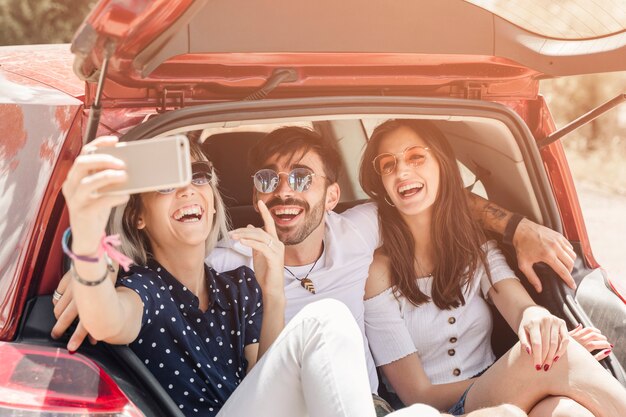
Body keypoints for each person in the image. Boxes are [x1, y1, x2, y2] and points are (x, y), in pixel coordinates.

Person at [53, 126, 584, 394]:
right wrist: (89, 262)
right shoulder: (232, 259)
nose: (285, 193)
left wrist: (519, 227)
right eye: (269, 181)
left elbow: (438, 199)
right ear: (254, 195)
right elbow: (162, 247)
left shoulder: (364, 227)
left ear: (333, 198)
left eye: (303, 179)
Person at [359, 119, 626, 417]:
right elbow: (417, 395)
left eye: (415, 157)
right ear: (382, 183)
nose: (402, 171)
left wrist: (541, 329)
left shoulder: (475, 248)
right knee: (556, 358)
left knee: (568, 412)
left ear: (442, 164)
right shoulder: (378, 272)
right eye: (388, 166)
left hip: (500, 393)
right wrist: (530, 367)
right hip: (431, 410)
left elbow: (521, 308)